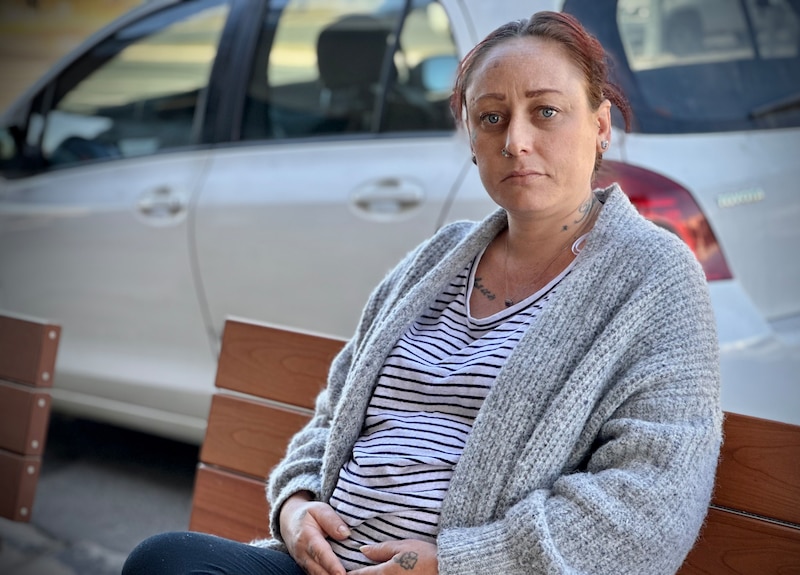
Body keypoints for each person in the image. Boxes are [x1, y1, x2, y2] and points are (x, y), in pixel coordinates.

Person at [123, 10, 722, 575]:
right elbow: (332, 417)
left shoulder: (654, 277)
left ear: (599, 127)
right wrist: (297, 505)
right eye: (491, 117)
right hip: (325, 563)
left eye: (545, 112)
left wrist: (456, 562)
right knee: (166, 560)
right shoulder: (435, 261)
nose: (515, 140)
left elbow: (650, 505)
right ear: (472, 140)